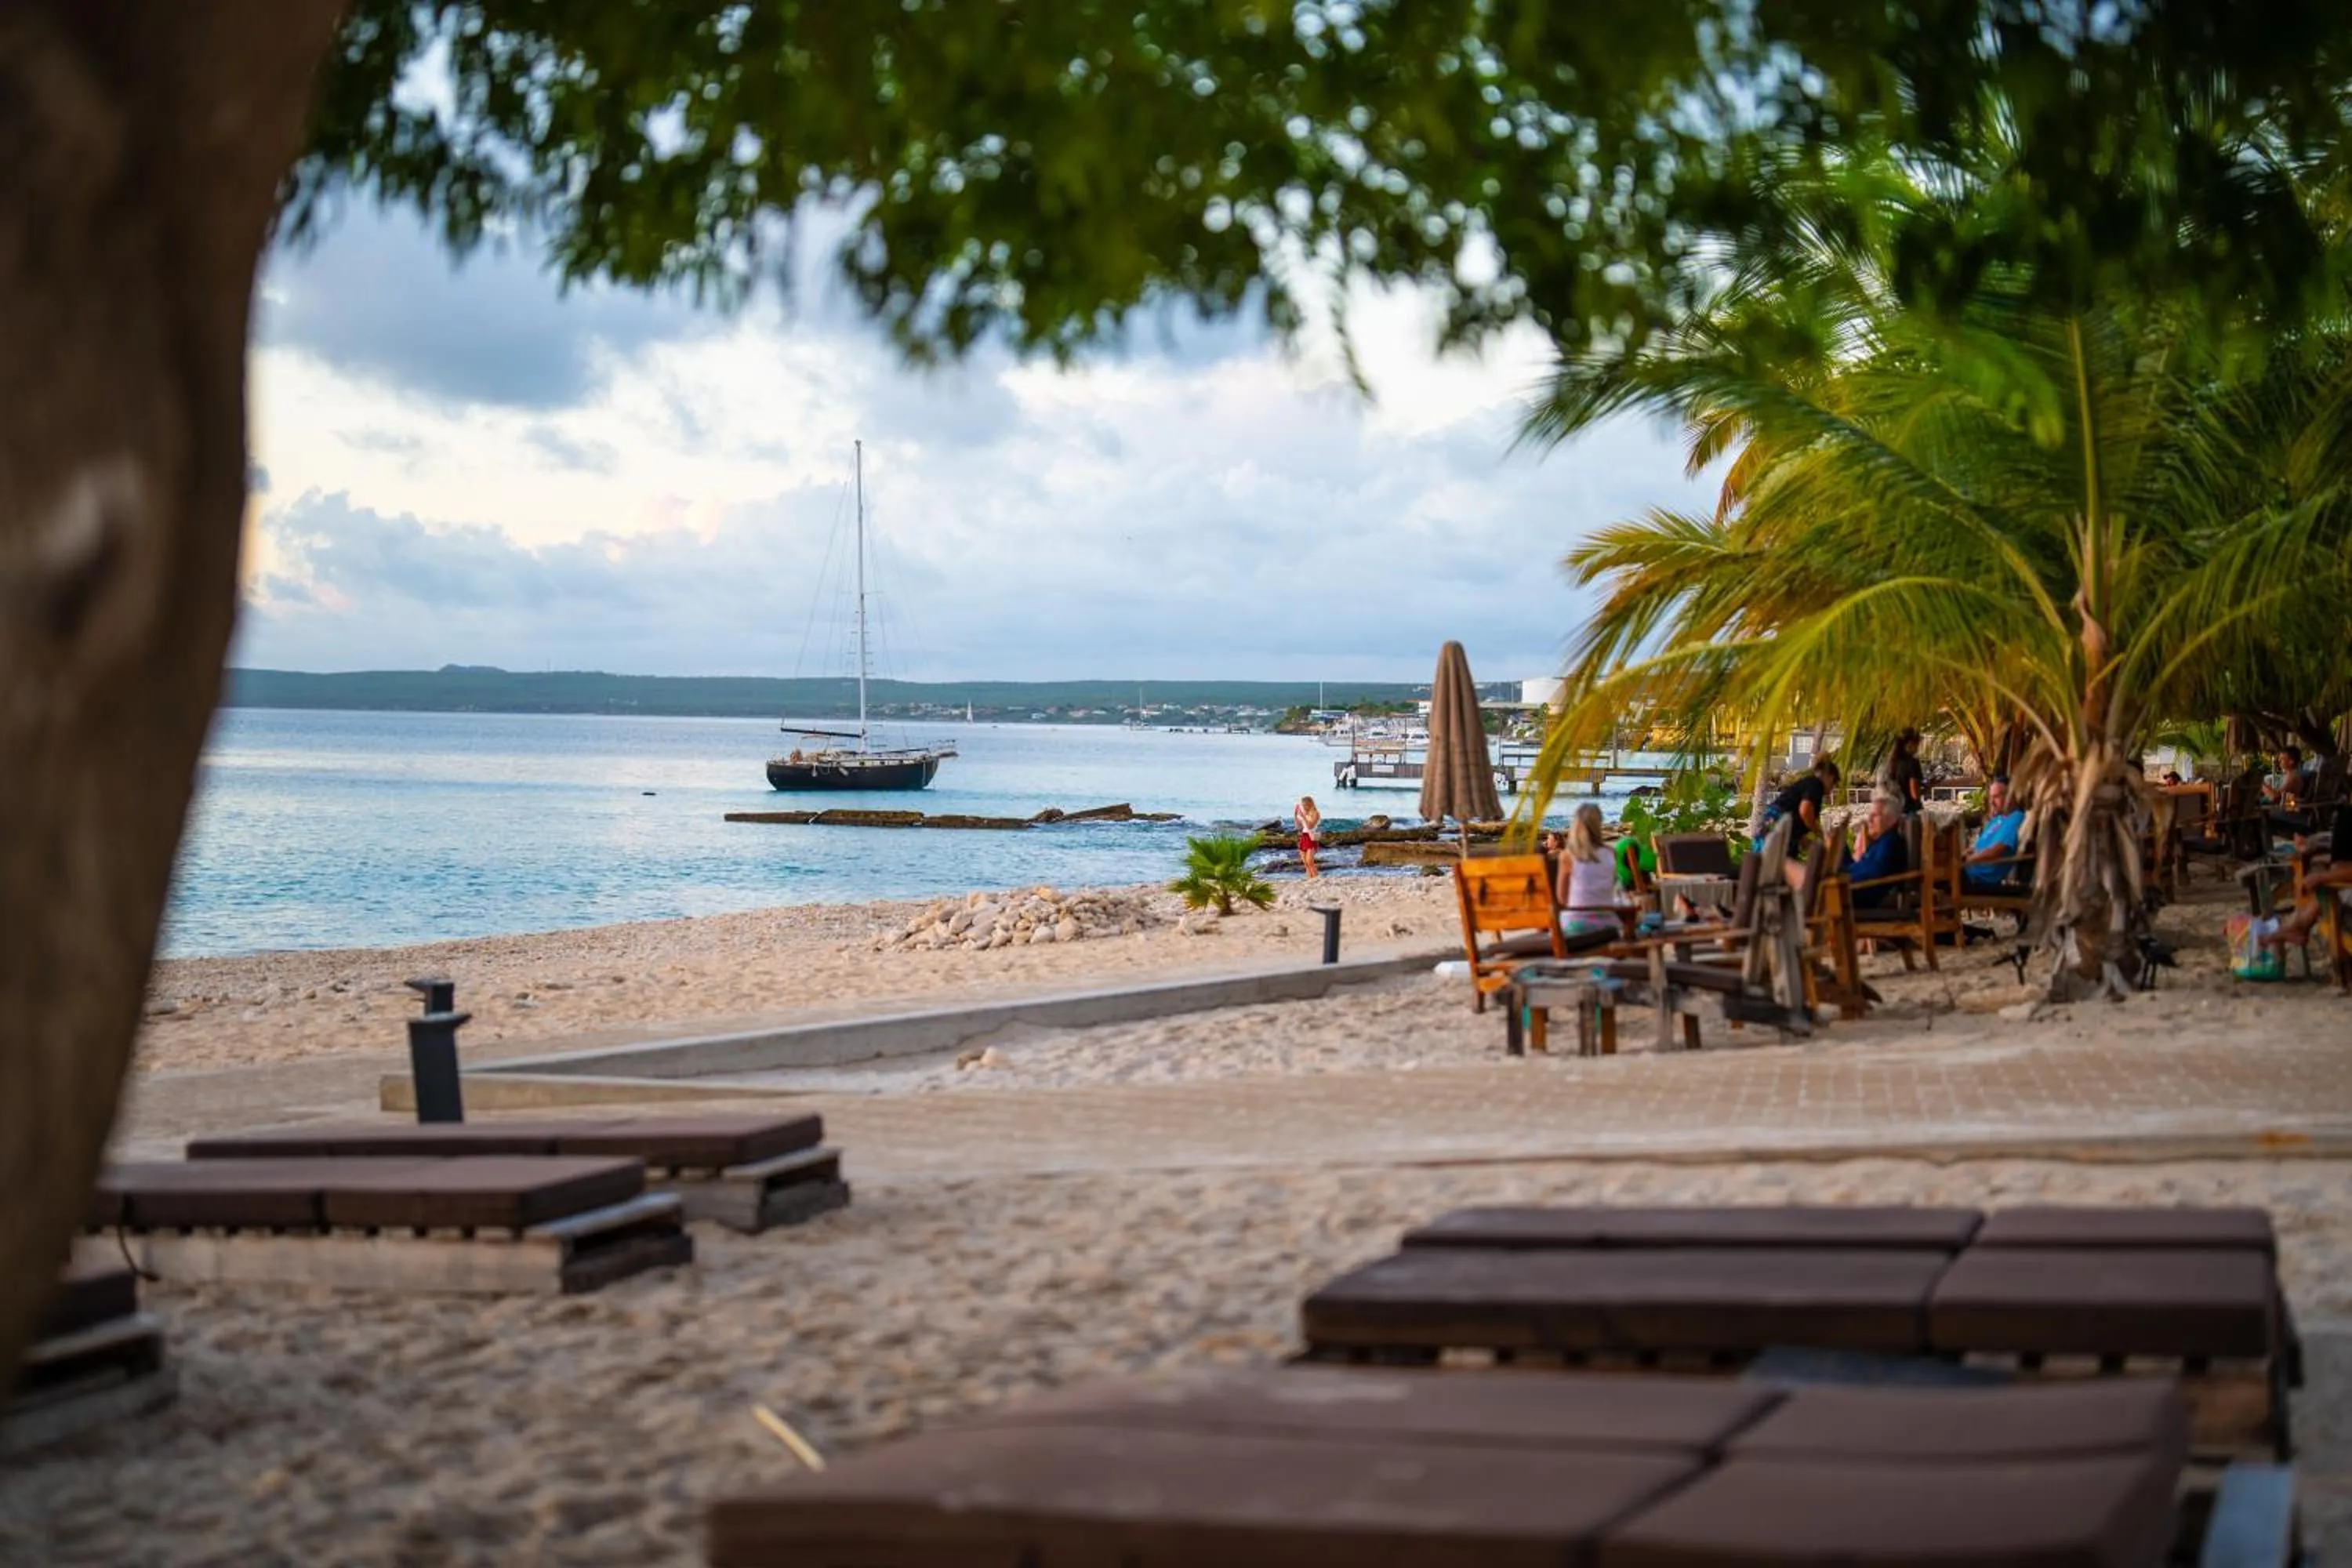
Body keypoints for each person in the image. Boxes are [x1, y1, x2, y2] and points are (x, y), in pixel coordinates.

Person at [1555, 804, 1621, 935]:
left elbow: (1562, 898)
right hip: (1607, 924)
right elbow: (1612, 888)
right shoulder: (1611, 853)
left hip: (1576, 924)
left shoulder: (1568, 856)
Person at [1757, 757, 1842, 857]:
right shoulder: (1816, 784)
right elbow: (1805, 810)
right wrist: (1820, 834)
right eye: (1834, 782)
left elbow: (1796, 823)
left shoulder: (1809, 785)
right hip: (1777, 824)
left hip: (1777, 825)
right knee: (1772, 865)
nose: (1833, 788)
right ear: (1830, 777)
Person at [1844, 789, 1911, 908]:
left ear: (1891, 820)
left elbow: (1874, 874)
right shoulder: (1880, 842)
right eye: (1870, 815)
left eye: (1874, 815)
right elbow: (1863, 868)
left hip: (1856, 896)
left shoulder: (1890, 843)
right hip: (1851, 888)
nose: (1869, 820)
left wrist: (1844, 877)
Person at [1963, 775, 2030, 892]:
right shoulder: (1997, 820)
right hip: (1968, 871)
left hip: (1979, 879)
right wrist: (1964, 854)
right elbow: (1978, 847)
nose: (1992, 802)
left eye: (1996, 797)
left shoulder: (2016, 818)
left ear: (2010, 796)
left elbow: (1996, 851)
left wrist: (1968, 860)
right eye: (1991, 798)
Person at [1882, 729, 1926, 817]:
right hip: (1910, 812)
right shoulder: (1912, 763)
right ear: (1909, 744)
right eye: (1917, 744)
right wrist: (1931, 785)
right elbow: (1915, 794)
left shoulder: (1890, 764)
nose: (1918, 748)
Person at [1294, 794, 1323, 878]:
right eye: (1302, 805)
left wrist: (1303, 817)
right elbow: (1298, 826)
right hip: (1303, 836)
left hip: (1311, 837)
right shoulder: (1304, 813)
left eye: (1304, 805)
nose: (1303, 806)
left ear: (1309, 804)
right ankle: (1310, 879)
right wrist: (1296, 815)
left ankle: (1316, 879)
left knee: (1310, 862)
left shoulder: (1316, 813)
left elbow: (1310, 826)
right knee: (1305, 863)